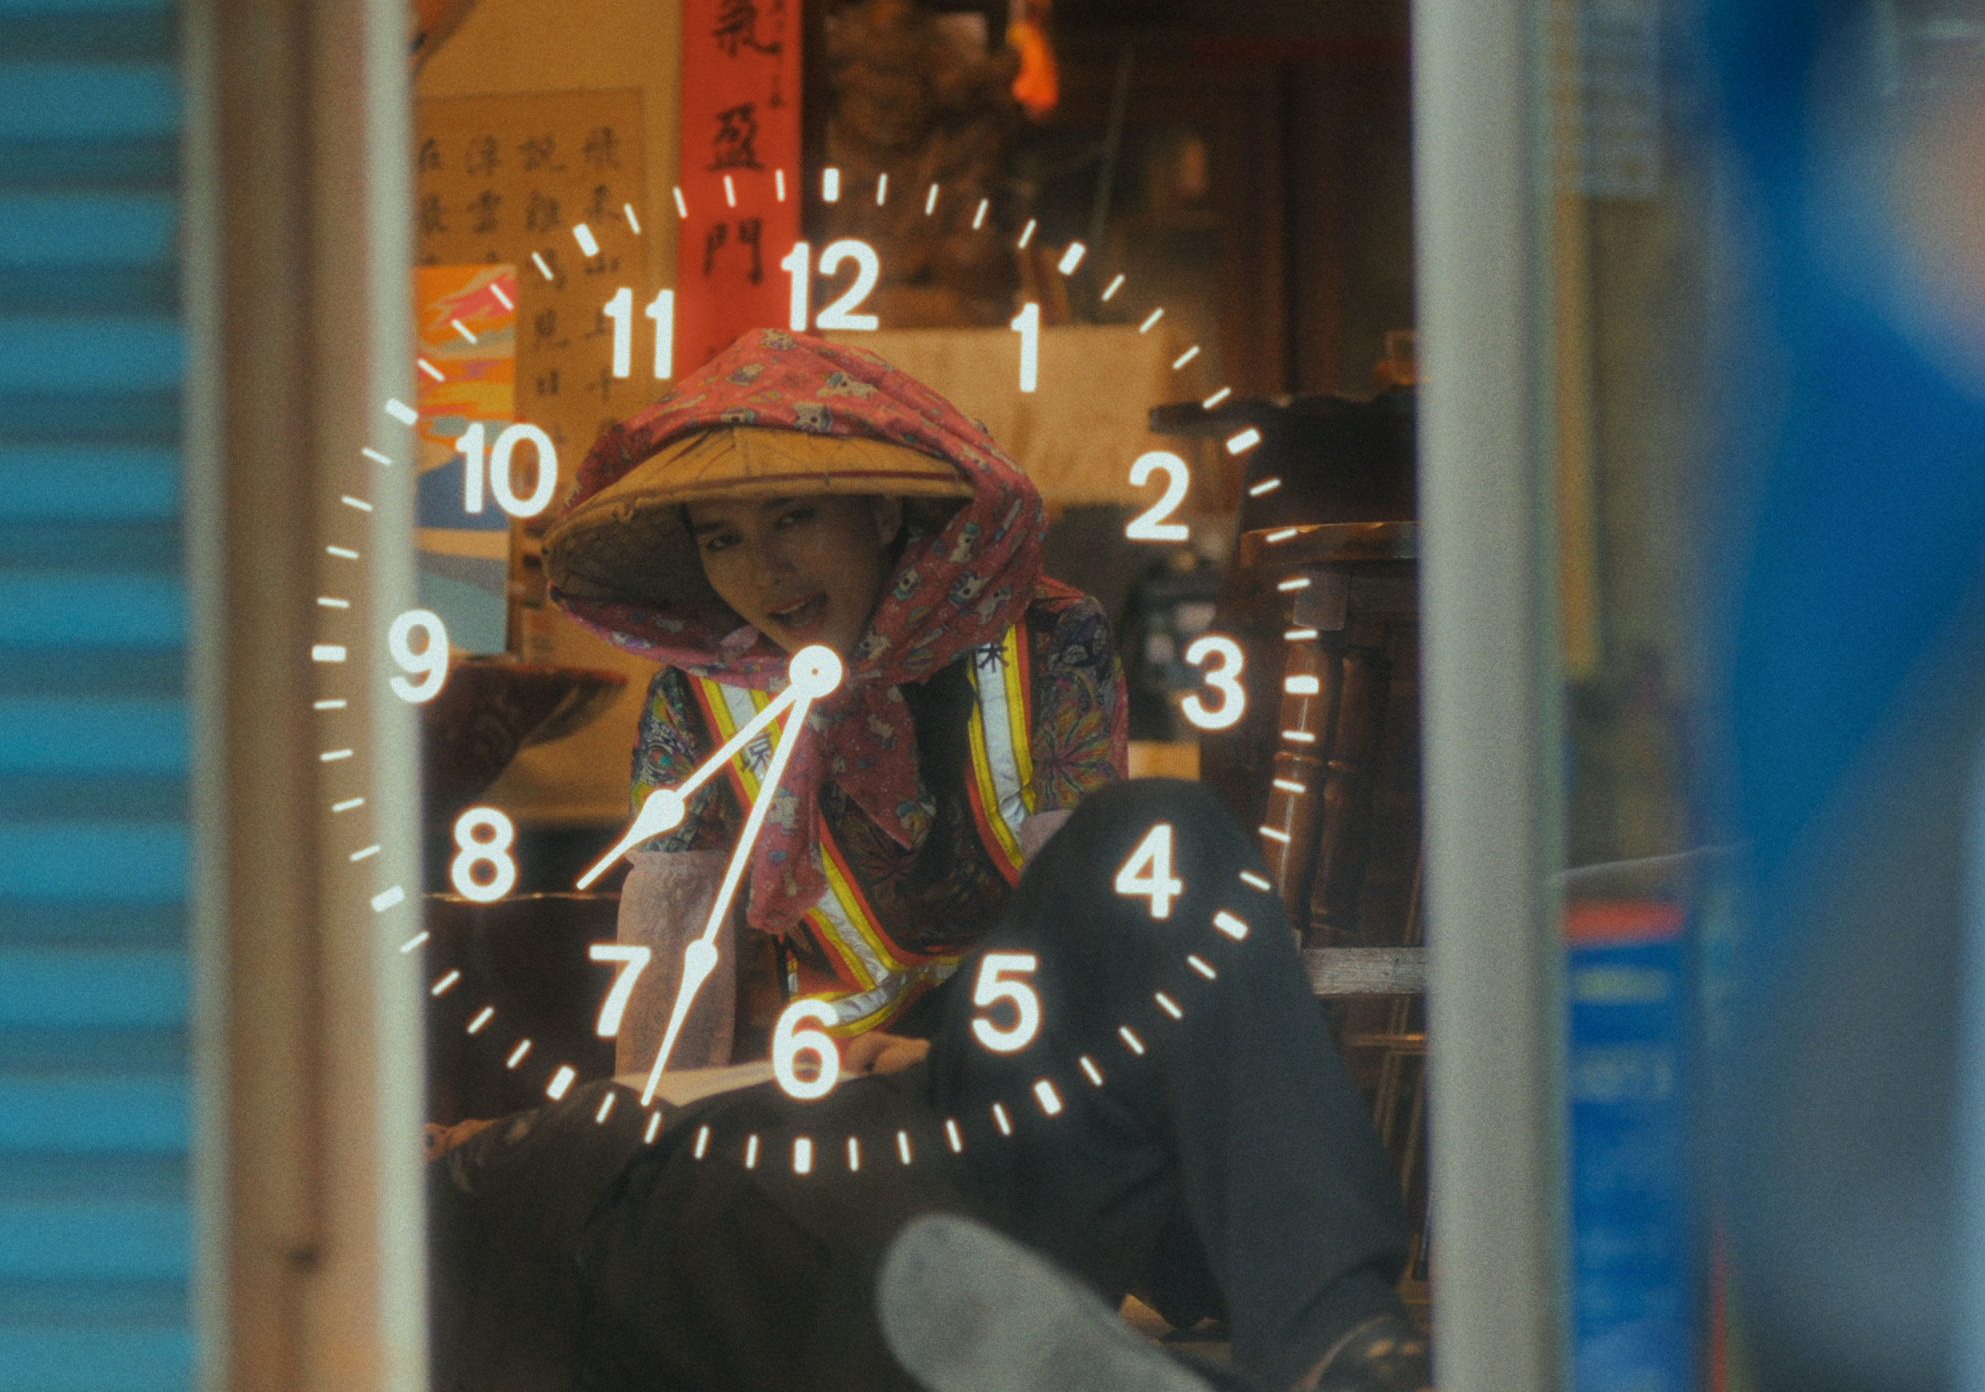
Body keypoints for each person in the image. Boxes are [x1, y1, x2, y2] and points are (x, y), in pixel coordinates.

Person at [429, 330, 1428, 1392]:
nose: (763, 574)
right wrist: (611, 1134)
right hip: (849, 1119)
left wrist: (957, 1045)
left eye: (794, 519)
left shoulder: (1048, 637)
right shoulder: (695, 697)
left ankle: (1337, 1341)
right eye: (722, 539)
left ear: (881, 513)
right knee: (759, 1201)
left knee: (1161, 831)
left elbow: (1102, 930)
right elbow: (669, 977)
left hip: (1018, 1082)